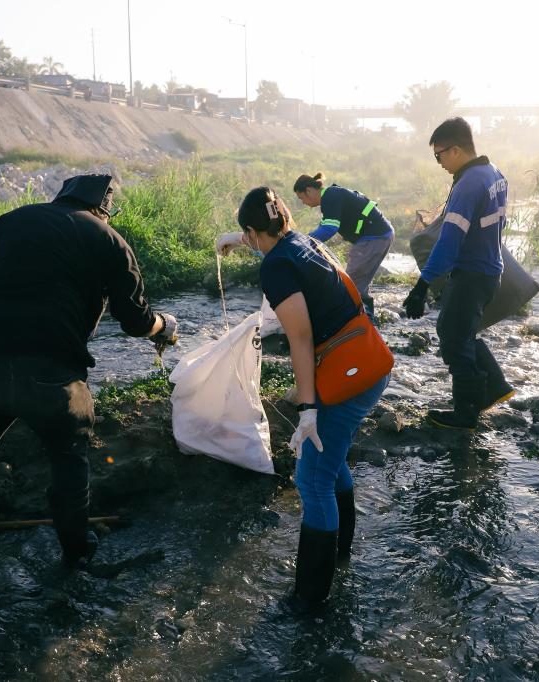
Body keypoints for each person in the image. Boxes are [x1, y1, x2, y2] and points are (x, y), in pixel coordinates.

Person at [0, 174, 178, 615]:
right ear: (103, 208)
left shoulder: (13, 221)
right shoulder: (109, 239)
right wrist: (167, 328)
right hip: (51, 378)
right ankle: (77, 558)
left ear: (61, 196)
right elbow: (137, 322)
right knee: (69, 461)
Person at [216, 187, 390, 611]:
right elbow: (273, 242)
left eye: (248, 236)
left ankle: (311, 598)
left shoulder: (276, 267)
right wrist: (234, 238)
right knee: (329, 461)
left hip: (349, 377)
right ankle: (341, 556)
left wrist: (307, 409)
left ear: (255, 231)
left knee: (312, 479)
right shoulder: (302, 242)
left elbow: (300, 336)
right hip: (367, 361)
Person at [401, 117, 512, 430]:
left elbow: (449, 243)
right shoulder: (494, 174)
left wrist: (421, 287)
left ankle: (466, 413)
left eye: (439, 155)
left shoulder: (468, 184)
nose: (439, 163)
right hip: (490, 269)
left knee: (452, 339)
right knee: (462, 332)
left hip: (472, 274)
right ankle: (495, 387)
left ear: (456, 150)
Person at [291, 173, 395, 318]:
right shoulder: (331, 196)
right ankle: (367, 318)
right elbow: (324, 228)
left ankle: (363, 322)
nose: (303, 202)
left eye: (301, 198)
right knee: (357, 283)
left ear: (308, 190)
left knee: (350, 286)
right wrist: (306, 241)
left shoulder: (331, 196)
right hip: (379, 236)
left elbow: (329, 229)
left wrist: (302, 242)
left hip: (374, 238)